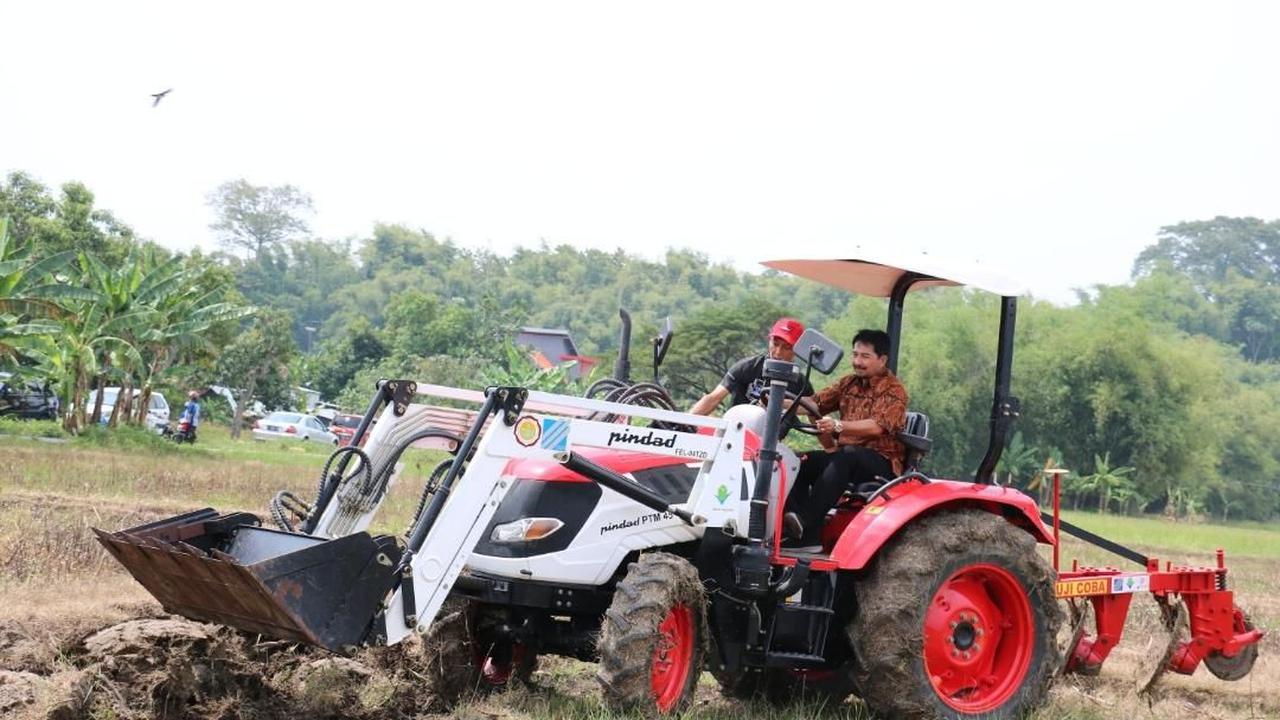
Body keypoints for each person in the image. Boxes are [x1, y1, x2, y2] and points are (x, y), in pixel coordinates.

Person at [783, 329, 908, 551]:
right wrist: (776, 400)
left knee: (845, 457)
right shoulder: (848, 383)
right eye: (855, 355)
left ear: (882, 360)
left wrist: (839, 426)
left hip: (881, 461)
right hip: (848, 456)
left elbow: (877, 426)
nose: (857, 362)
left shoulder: (894, 391)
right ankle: (806, 537)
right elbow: (814, 403)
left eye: (865, 356)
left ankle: (804, 520)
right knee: (797, 461)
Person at [688, 318, 815, 416]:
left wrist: (830, 447)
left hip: (771, 442)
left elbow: (815, 411)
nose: (778, 352)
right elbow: (713, 398)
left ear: (797, 349)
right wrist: (683, 423)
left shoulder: (801, 383)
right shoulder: (747, 367)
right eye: (775, 344)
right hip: (735, 431)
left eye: (786, 347)